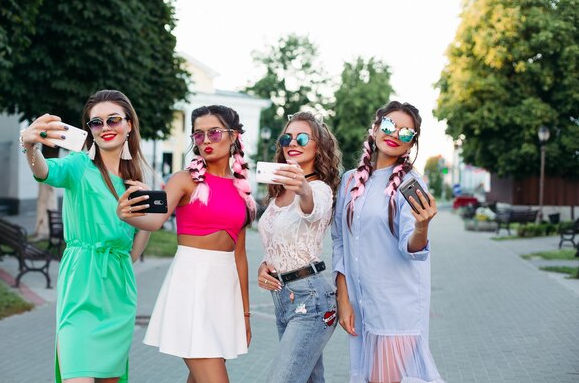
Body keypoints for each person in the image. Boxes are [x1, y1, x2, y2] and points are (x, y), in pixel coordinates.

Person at [18, 89, 151, 383]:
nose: (105, 128)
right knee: (76, 374)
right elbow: (44, 172)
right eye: (96, 123)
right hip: (80, 282)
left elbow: (144, 229)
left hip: (118, 288)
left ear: (129, 124)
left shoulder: (138, 178)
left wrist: (125, 261)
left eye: (113, 120)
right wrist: (29, 147)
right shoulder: (79, 165)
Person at [117, 105, 255, 383]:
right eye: (199, 135)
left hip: (224, 292)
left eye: (214, 133)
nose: (206, 141)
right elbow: (155, 221)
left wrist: (245, 313)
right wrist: (127, 215)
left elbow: (239, 255)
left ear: (234, 136)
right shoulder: (184, 180)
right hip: (192, 285)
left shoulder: (242, 188)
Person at [332, 101, 444, 383]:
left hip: (396, 308)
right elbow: (339, 242)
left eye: (406, 133)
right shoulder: (349, 181)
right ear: (375, 127)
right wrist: (343, 299)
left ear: (410, 145)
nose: (395, 134)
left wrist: (422, 226)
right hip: (362, 305)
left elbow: (413, 248)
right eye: (389, 125)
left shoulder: (410, 183)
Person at [257, 112, 342, 383]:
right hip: (283, 297)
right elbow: (278, 240)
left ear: (319, 146)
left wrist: (303, 188)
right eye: (287, 137)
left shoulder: (319, 189)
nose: (293, 142)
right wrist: (265, 265)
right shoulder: (278, 192)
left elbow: (311, 208)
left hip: (312, 300)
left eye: (302, 137)